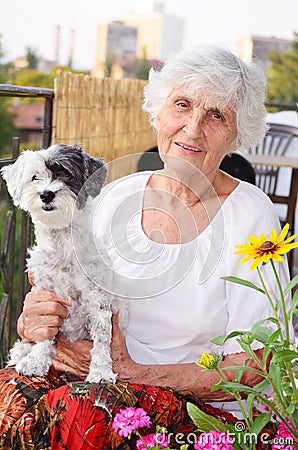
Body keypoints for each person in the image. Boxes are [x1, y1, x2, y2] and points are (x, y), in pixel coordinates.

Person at [0, 45, 294, 449]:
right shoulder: (111, 197)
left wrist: (134, 372)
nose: (192, 128)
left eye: (216, 115)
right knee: (9, 396)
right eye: (182, 105)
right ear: (159, 112)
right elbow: (60, 295)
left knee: (80, 417)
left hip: (197, 408)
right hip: (91, 379)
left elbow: (262, 363)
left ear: (236, 134)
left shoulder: (250, 217)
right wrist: (32, 323)